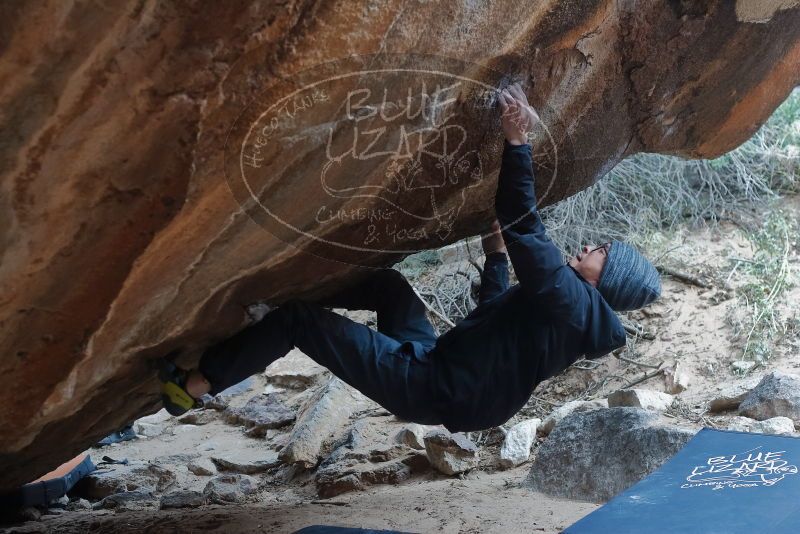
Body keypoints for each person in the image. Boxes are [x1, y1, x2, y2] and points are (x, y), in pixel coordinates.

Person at [159, 83, 661, 432]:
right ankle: (281, 296)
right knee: (391, 290)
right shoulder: (573, 315)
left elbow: (523, 221)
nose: (592, 247)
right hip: (442, 368)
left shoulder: (574, 303)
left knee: (298, 324)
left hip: (430, 386)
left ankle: (197, 385)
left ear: (605, 281)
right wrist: (495, 259)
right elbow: (496, 323)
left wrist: (517, 141)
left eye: (603, 253)